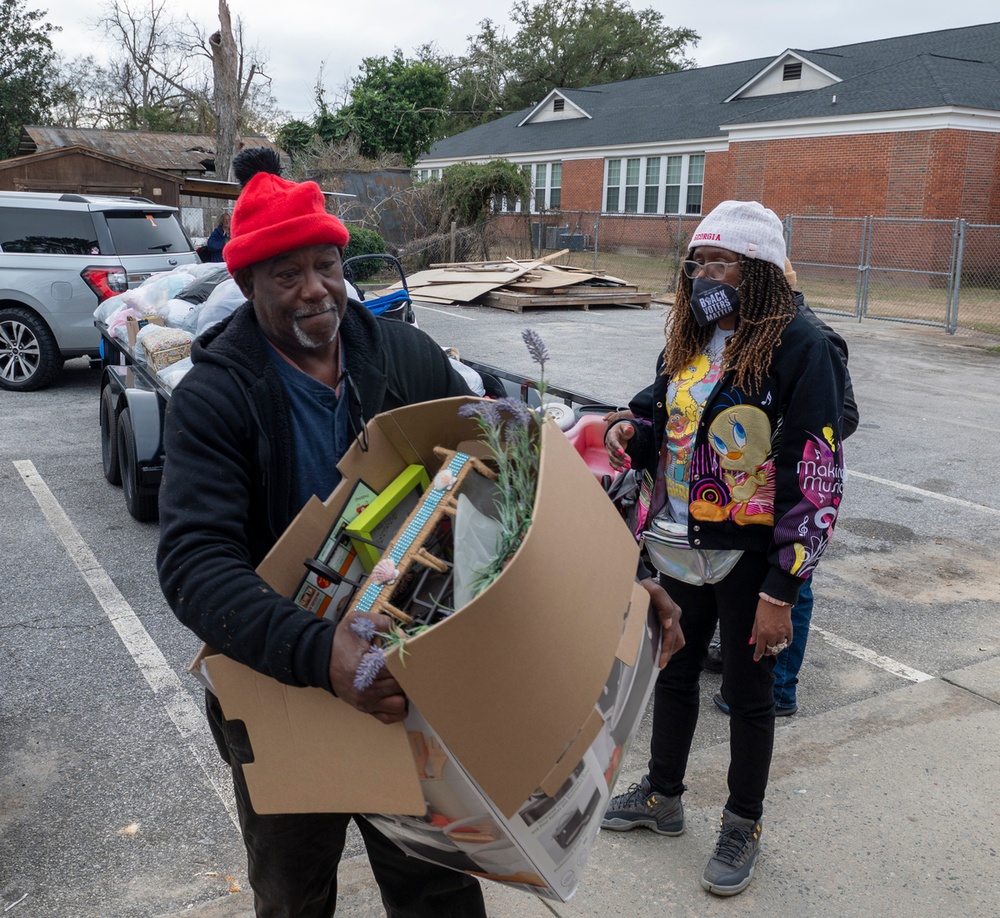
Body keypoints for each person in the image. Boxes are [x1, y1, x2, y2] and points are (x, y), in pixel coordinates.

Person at [156, 148, 487, 918]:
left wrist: (622, 567)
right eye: (286, 273)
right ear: (243, 283)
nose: (315, 290)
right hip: (280, 686)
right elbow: (194, 565)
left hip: (407, 682)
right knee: (293, 893)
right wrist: (321, 653)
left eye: (326, 265)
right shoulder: (216, 397)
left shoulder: (404, 356)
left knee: (437, 882)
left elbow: (504, 469)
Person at [600, 201, 846, 897]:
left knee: (747, 693)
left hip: (747, 557)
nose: (702, 274)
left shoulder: (801, 344)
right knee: (673, 676)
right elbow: (672, 424)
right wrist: (636, 434)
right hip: (676, 544)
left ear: (760, 270)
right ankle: (664, 796)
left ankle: (743, 822)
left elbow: (815, 474)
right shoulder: (691, 332)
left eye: (719, 263)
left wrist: (782, 588)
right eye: (696, 262)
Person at [710, 258, 861, 715]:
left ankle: (779, 688)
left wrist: (778, 442)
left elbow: (843, 416)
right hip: (748, 492)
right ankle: (740, 654)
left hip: (791, 491)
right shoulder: (744, 333)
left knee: (794, 582)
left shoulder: (812, 339)